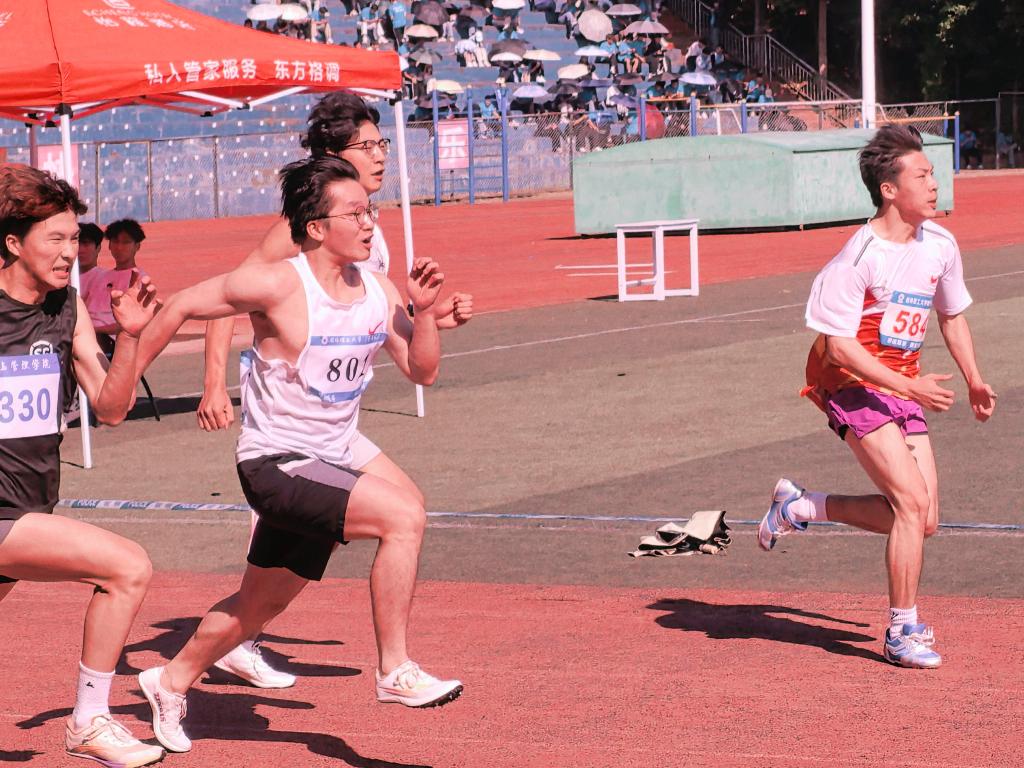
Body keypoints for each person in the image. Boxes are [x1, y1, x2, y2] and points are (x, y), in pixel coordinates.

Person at [135, 156, 463, 754]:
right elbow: (181, 304)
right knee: (404, 515)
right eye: (355, 214)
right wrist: (123, 381)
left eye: (371, 211)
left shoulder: (379, 289)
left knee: (259, 605)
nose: (370, 223)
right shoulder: (279, 283)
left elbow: (423, 371)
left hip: (332, 460)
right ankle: (394, 669)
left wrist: (424, 313)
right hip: (276, 463)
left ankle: (168, 680)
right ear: (316, 227)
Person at [196, 92, 472, 688]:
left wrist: (429, 320)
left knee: (401, 509)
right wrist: (214, 382)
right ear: (334, 155)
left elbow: (376, 311)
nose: (380, 155)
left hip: (333, 421)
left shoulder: (367, 226)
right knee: (379, 515)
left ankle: (236, 635)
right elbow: (229, 296)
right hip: (288, 421)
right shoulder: (300, 228)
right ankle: (270, 641)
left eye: (382, 143)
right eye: (366, 146)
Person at [758, 125, 998, 669]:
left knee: (923, 518)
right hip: (848, 382)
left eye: (933, 173)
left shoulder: (940, 244)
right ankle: (901, 631)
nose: (934, 184)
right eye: (922, 175)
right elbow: (838, 348)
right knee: (911, 504)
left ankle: (801, 506)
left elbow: (951, 315)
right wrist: (907, 385)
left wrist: (974, 378)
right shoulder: (858, 257)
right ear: (889, 190)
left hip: (901, 384)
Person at [0, 165, 164, 767]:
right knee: (127, 567)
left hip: (31, 504)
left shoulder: (66, 308)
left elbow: (112, 407)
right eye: (56, 239)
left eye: (75, 238)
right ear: (14, 243)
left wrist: (132, 337)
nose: (72, 251)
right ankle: (89, 721)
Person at [82, 219, 149, 338]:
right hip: (85, 336)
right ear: (109, 245)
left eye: (126, 242)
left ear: (137, 246)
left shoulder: (140, 279)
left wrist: (94, 331)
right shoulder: (98, 276)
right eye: (115, 241)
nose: (119, 247)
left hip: (110, 340)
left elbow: (133, 323)